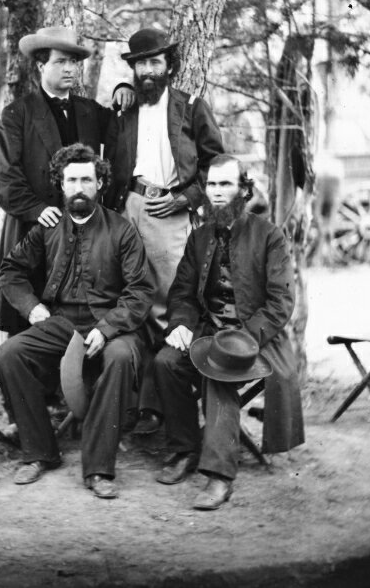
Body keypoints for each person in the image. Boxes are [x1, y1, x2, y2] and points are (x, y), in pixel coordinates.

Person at [0, 143, 153, 499]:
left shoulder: (122, 230)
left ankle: (98, 468)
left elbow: (140, 291)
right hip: (61, 324)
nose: (79, 187)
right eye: (71, 180)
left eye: (87, 179)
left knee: (119, 357)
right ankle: (40, 452)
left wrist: (107, 328)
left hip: (113, 326)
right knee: (10, 353)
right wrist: (32, 308)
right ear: (60, 185)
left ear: (100, 184)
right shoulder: (46, 228)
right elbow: (11, 271)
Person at [151, 154, 304, 510]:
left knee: (219, 372)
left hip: (258, 340)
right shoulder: (200, 237)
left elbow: (281, 301)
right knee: (165, 362)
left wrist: (243, 339)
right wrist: (182, 325)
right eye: (212, 185)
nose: (217, 193)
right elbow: (183, 294)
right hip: (207, 332)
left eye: (226, 185)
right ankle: (185, 448)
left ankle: (220, 477)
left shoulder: (270, 236)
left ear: (243, 190)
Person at [103, 27, 225, 434]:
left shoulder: (191, 107)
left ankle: (173, 411)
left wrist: (186, 198)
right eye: (140, 64)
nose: (148, 71)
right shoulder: (126, 109)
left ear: (168, 66)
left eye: (155, 62)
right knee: (131, 299)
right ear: (134, 71)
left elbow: (216, 164)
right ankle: (143, 407)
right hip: (128, 208)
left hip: (169, 209)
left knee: (172, 305)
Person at [0, 26, 133, 336]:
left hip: (83, 229)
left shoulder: (88, 110)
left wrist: (124, 86)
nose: (69, 69)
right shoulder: (18, 114)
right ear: (41, 66)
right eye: (60, 62)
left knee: (79, 311)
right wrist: (34, 208)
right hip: (36, 226)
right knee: (30, 318)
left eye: (73, 61)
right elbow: (4, 174)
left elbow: (122, 128)